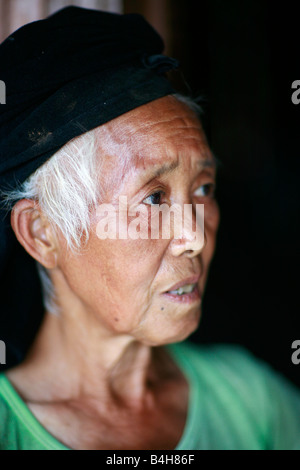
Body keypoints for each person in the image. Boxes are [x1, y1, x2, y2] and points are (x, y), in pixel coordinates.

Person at [0, 6, 299, 451]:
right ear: (43, 233)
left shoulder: (253, 401)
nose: (194, 236)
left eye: (203, 188)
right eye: (154, 199)